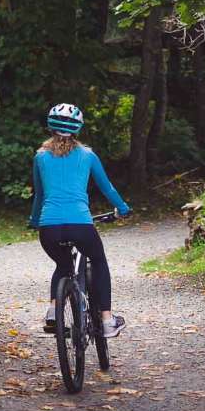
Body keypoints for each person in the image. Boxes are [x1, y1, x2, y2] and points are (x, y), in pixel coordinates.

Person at [29, 103, 131, 337]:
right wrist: (123, 208)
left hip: (49, 229)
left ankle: (53, 312)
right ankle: (106, 321)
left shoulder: (40, 156)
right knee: (98, 261)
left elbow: (40, 194)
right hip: (81, 225)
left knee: (63, 265)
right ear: (77, 129)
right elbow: (107, 188)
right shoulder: (87, 155)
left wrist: (35, 220)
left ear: (50, 127)